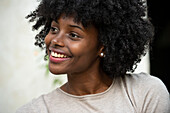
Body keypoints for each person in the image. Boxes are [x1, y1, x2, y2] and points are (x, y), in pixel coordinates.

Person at [16, 0, 170, 113]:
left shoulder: (146, 92)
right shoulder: (37, 110)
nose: (55, 40)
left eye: (74, 35)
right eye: (54, 29)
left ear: (103, 45)